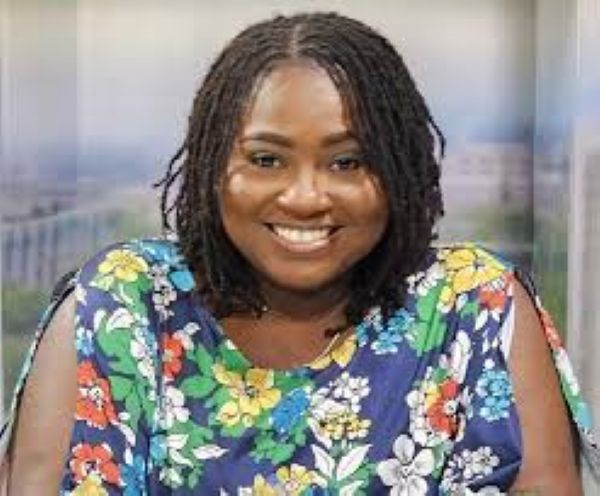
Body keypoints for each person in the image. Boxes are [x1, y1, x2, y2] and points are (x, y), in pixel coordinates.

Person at [1, 11, 598, 495]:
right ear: (212, 168)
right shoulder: (121, 304)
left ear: (400, 170)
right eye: (266, 159)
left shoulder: (477, 305)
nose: (305, 197)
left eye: (347, 162)